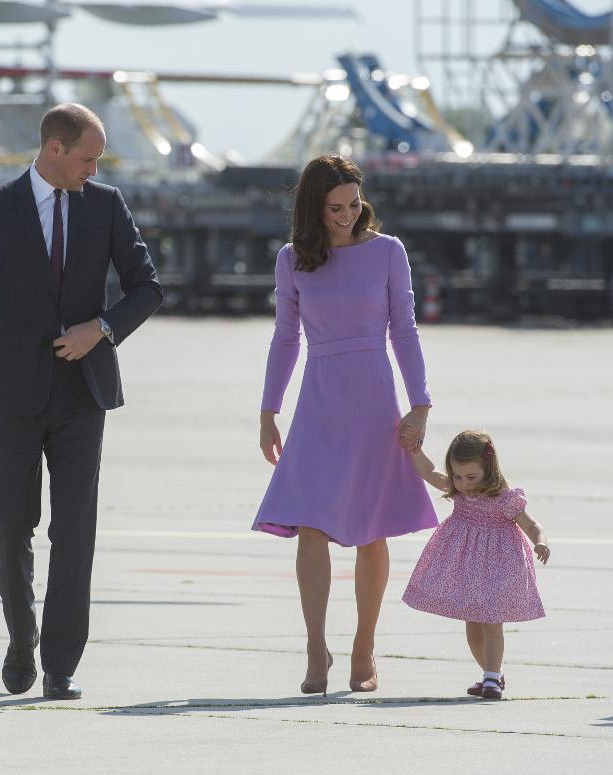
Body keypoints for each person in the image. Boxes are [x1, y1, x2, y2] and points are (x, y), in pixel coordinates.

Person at [0, 103, 162, 700]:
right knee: (11, 524)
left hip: (85, 392)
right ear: (54, 149)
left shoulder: (106, 205)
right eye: (87, 157)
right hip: (12, 392)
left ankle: (61, 664)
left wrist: (98, 328)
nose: (93, 168)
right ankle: (21, 641)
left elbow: (148, 287)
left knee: (75, 529)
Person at [254, 154, 437, 696]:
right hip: (319, 399)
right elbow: (286, 337)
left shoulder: (387, 251)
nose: (348, 215)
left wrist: (420, 404)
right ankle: (316, 646)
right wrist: (268, 411)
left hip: (376, 398)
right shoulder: (293, 259)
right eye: (336, 207)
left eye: (355, 204)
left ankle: (364, 646)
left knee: (371, 529)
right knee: (311, 526)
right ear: (314, 207)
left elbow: (405, 331)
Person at [403, 430, 549, 700]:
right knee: (473, 628)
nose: (464, 483)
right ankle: (493, 673)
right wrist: (414, 448)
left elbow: (530, 524)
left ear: (488, 469)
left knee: (492, 622)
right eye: (457, 476)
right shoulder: (457, 491)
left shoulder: (504, 499)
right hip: (467, 567)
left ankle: (491, 679)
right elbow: (430, 472)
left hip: (499, 567)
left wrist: (540, 541)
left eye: (471, 476)